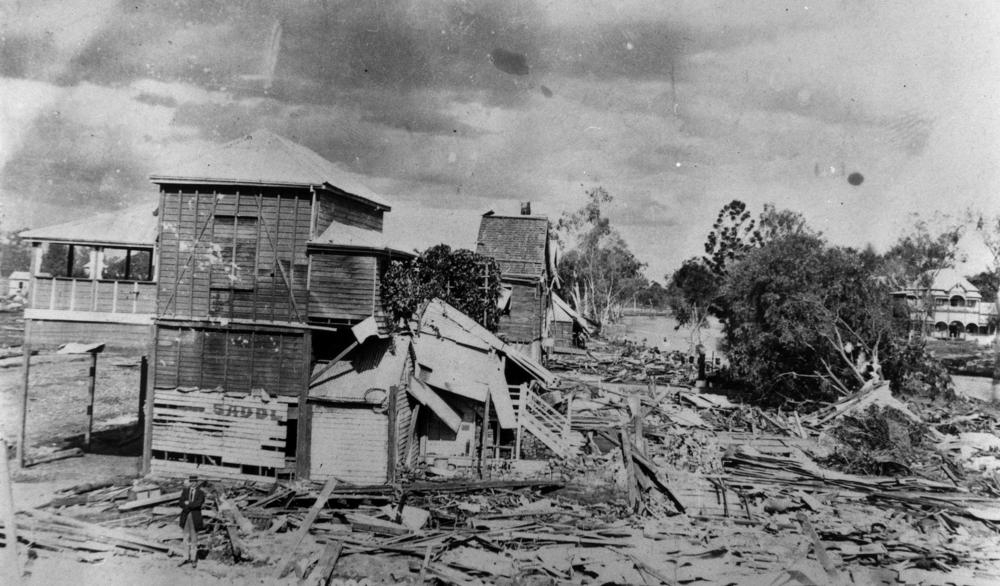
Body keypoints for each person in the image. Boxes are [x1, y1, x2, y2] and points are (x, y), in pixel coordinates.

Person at [178, 475, 205, 567]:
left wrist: (188, 504)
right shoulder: (185, 491)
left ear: (197, 482)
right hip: (186, 517)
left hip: (194, 517)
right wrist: (188, 505)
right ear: (189, 482)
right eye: (191, 481)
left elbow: (198, 504)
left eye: (194, 481)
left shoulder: (201, 493)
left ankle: (193, 559)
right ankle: (185, 557)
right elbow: (180, 503)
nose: (193, 483)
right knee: (185, 538)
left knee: (194, 539)